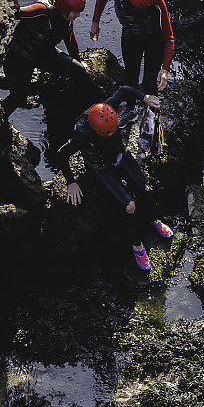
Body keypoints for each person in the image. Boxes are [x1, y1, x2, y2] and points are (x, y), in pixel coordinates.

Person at [57, 85, 173, 271]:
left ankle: (153, 219)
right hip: (101, 169)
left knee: (146, 191)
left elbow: (124, 90)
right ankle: (137, 245)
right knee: (130, 206)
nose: (111, 134)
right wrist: (71, 181)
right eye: (107, 133)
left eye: (113, 130)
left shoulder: (106, 106)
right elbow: (62, 153)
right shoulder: (81, 134)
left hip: (120, 156)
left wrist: (144, 97)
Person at [89, 0, 174, 138]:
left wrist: (165, 68)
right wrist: (95, 21)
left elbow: (169, 37)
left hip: (153, 38)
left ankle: (151, 114)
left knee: (150, 80)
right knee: (130, 76)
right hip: (130, 34)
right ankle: (130, 110)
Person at [0, 0, 98, 117]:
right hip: (19, 58)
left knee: (78, 70)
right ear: (64, 8)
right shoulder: (42, 10)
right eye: (75, 12)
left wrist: (77, 62)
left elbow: (71, 42)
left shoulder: (67, 19)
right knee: (18, 95)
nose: (78, 15)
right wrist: (15, 5)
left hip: (43, 54)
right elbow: (19, 13)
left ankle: (94, 106)